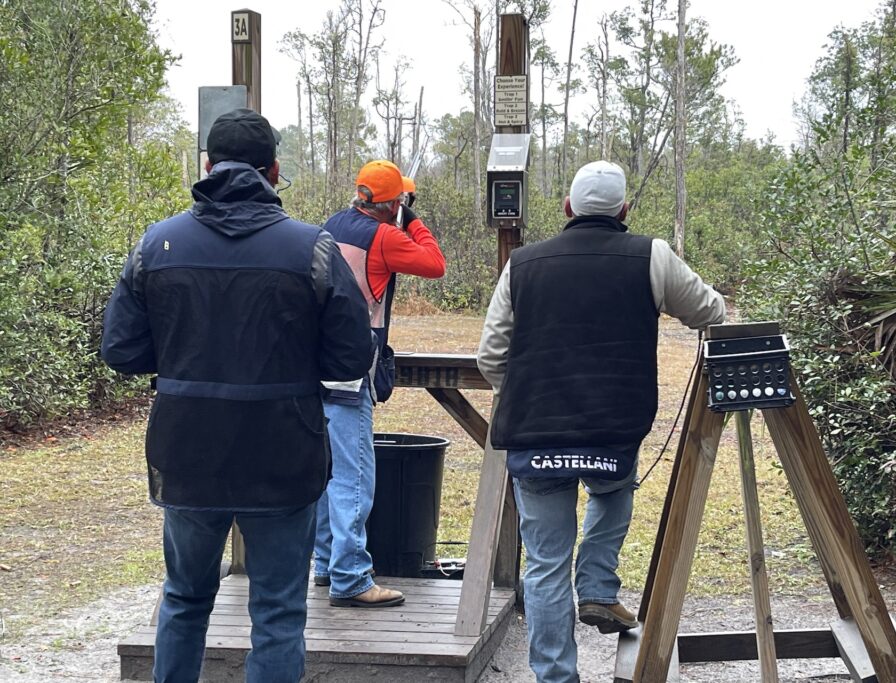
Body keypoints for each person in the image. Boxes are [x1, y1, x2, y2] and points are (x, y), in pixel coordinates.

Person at [100, 108, 374, 683]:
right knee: (278, 611)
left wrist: (181, 362)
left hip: (186, 451)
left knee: (184, 598)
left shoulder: (157, 245)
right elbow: (351, 357)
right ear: (273, 170)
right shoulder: (314, 250)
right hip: (283, 453)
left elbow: (121, 351)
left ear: (206, 165)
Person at [477, 160, 726, 683]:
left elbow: (490, 354)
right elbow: (709, 311)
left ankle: (556, 676)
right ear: (624, 211)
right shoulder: (651, 255)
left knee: (544, 564)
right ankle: (596, 585)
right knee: (613, 490)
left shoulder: (521, 263)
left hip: (536, 432)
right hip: (614, 429)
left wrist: (519, 392)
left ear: (566, 209)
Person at [314, 159, 446, 607]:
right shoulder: (387, 234)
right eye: (402, 200)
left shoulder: (333, 225)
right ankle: (350, 577)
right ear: (391, 203)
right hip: (352, 367)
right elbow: (434, 264)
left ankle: (325, 562)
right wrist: (414, 220)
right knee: (353, 477)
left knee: (324, 468)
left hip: (318, 363)